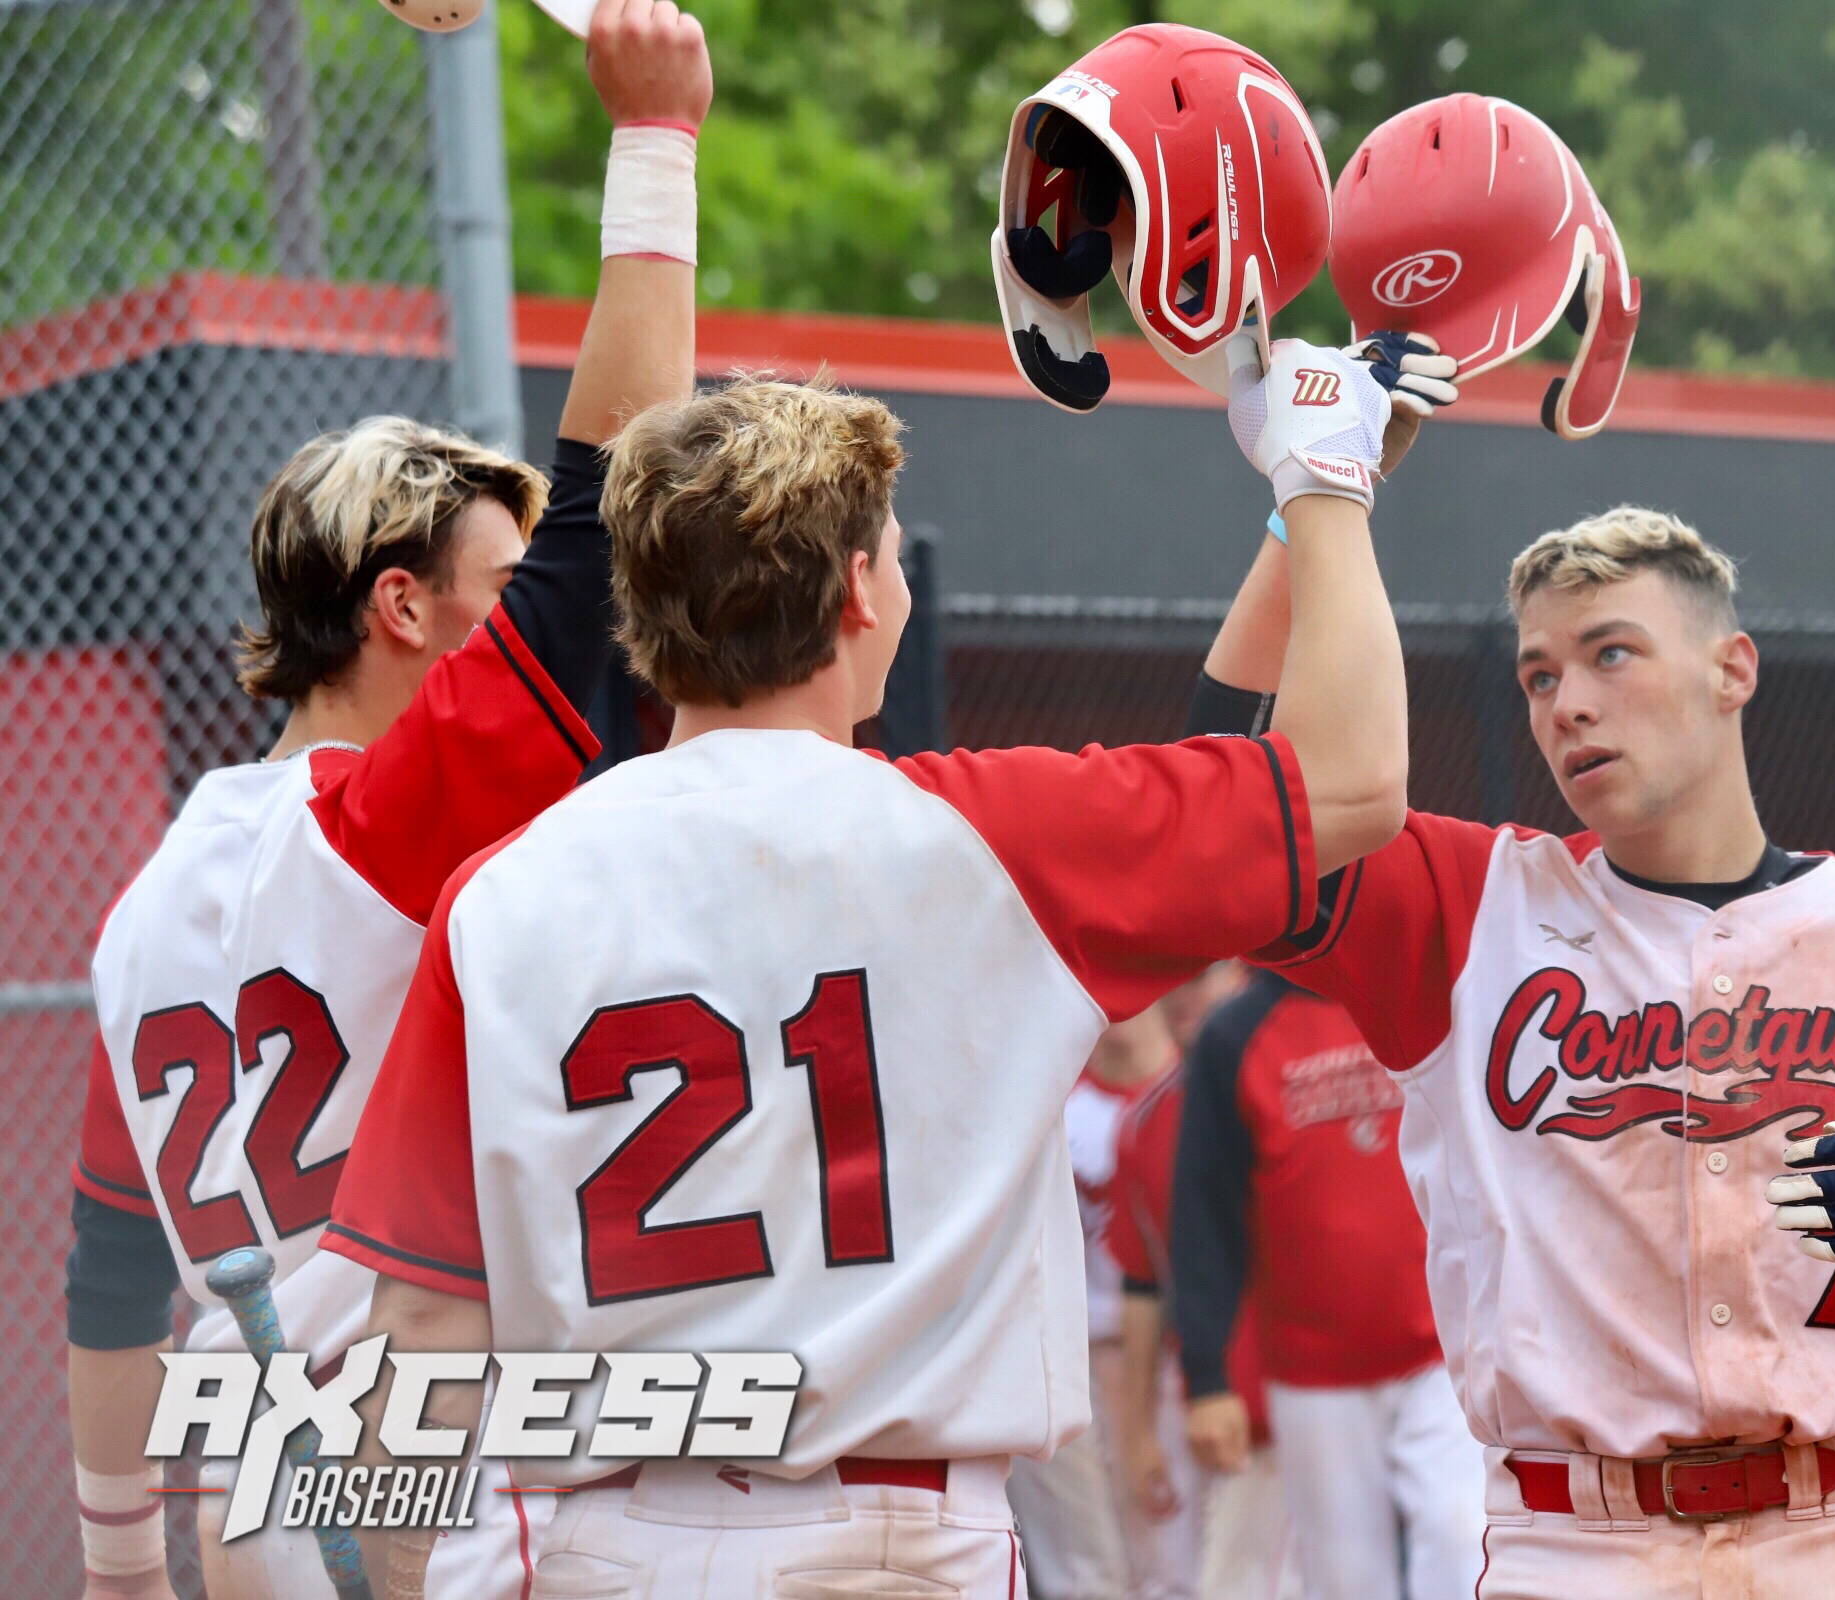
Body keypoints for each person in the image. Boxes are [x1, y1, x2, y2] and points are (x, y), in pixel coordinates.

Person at [320, 332, 1411, 1599]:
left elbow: (416, 1337)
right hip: (890, 1542)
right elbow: (1353, 777)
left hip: (603, 1546)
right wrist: (1322, 482)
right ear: (856, 590)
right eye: (889, 554)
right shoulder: (988, 838)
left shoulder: (497, 895)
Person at [1189, 506, 1835, 1599]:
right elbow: (1225, 804)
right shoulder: (1474, 908)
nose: (1570, 703)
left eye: (1611, 652)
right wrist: (1311, 501)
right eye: (1540, 676)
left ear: (1731, 668)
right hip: (1577, 1548)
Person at [63, 5, 709, 1594]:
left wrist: (119, 1565)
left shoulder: (140, 915)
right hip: (419, 1495)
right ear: (402, 607)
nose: (530, 617)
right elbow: (618, 540)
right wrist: (654, 149)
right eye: (494, 584)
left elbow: (110, 1272)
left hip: (262, 1493)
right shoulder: (378, 826)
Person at [1172, 973, 1483, 1600]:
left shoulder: (1420, 992)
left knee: (1462, 1539)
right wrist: (1206, 1378)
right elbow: (1202, 1215)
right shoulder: (1234, 1034)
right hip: (1312, 1371)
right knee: (1347, 1579)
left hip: (1441, 1351)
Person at [1108, 1024, 1296, 1600]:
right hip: (1195, 1390)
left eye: (1209, 973)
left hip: (1298, 1395)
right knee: (1173, 1583)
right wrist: (1137, 1431)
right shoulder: (1149, 1118)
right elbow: (1142, 1283)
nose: (1191, 992)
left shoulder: (1289, 1080)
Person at [1010, 1002, 1186, 1600]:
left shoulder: (1196, 1094)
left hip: (1171, 1360)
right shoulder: (1050, 1103)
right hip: (1063, 1356)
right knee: (1086, 1571)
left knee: (1174, 1562)